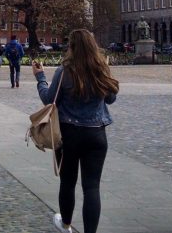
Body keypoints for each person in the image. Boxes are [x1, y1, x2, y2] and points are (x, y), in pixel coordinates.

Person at [32, 29, 118, 233]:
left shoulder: (65, 70)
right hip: (96, 133)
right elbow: (111, 98)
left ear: (72, 47)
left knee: (68, 182)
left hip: (69, 133)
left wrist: (40, 77)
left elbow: (49, 99)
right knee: (92, 187)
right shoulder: (100, 68)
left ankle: (66, 224)